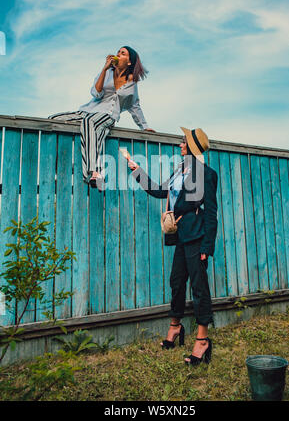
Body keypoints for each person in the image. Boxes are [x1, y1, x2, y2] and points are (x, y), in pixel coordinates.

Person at [127, 127, 218, 366]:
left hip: (197, 240)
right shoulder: (180, 171)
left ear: (192, 147)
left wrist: (207, 246)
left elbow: (211, 214)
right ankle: (175, 328)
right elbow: (160, 191)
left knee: (199, 289)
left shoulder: (207, 174)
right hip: (180, 239)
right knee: (176, 282)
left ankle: (202, 341)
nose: (180, 146)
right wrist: (138, 172)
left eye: (184, 142)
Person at [48, 46, 155, 190]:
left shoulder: (132, 83)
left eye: (122, 53)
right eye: (118, 52)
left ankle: (93, 171)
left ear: (129, 62)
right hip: (87, 111)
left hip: (108, 115)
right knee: (52, 119)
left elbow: (134, 106)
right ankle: (58, 166)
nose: (118, 54)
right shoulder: (107, 73)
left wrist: (144, 126)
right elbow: (96, 93)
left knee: (89, 123)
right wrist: (104, 69)